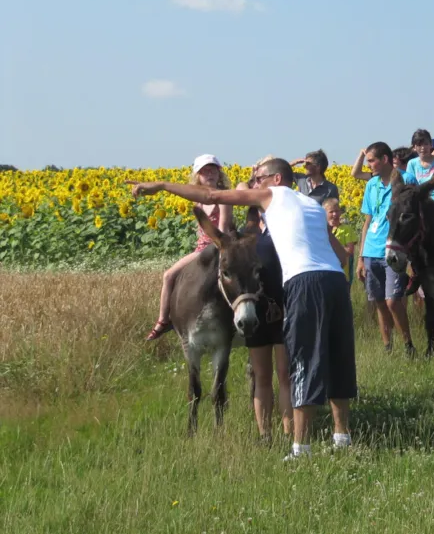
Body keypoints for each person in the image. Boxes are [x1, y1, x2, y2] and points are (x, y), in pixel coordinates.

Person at [128, 157, 355, 460]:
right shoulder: (312, 205)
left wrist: (161, 186)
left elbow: (211, 196)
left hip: (305, 281)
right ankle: (343, 437)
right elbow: (341, 256)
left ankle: (301, 449)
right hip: (336, 281)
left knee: (302, 363)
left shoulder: (273, 195)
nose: (254, 183)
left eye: (259, 177)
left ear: (276, 179)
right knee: (338, 358)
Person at [145, 154, 234, 341]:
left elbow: (223, 228)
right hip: (201, 248)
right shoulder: (198, 199)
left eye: (212, 170)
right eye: (204, 171)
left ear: (219, 173)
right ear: (198, 176)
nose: (209, 174)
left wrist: (214, 248)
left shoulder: (224, 197)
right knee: (169, 275)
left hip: (218, 246)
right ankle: (163, 320)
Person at [239, 163, 292, 441]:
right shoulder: (254, 228)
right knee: (267, 376)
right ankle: (268, 435)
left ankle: (280, 435)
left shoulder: (277, 222)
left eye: (261, 180)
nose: (257, 186)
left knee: (279, 375)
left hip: (278, 305)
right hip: (262, 307)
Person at [356, 142, 416, 356]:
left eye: (371, 160)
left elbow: (413, 217)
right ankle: (387, 347)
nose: (369, 164)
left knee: (393, 300)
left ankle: (408, 345)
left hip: (393, 248)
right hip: (372, 249)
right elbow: (367, 219)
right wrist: (361, 257)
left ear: (384, 159)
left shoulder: (406, 179)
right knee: (379, 301)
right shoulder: (371, 185)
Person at [324, 198, 360, 287]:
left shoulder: (346, 229)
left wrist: (332, 247)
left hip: (342, 274)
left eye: (337, 211)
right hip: (325, 274)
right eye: (331, 212)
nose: (335, 214)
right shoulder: (321, 230)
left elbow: (350, 251)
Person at [351, 146, 416, 182]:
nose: (390, 165)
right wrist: (362, 154)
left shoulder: (409, 179)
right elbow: (356, 174)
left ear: (407, 165)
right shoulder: (379, 178)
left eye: (394, 163)